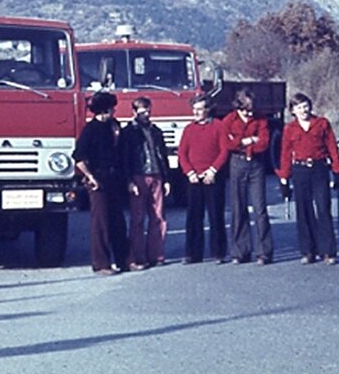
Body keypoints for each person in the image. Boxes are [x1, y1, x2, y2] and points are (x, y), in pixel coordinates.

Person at [277, 92, 339, 265]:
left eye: (305, 106)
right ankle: (308, 251)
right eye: (299, 107)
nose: (303, 110)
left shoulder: (321, 123)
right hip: (300, 170)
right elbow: (285, 153)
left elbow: (332, 147)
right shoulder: (289, 129)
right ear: (292, 110)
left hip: (319, 169)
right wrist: (284, 178)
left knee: (323, 208)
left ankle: (328, 251)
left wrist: (337, 170)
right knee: (304, 210)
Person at [73, 91, 129, 275]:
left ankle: (124, 260)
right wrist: (90, 177)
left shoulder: (114, 126)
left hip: (114, 178)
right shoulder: (90, 130)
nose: (113, 111)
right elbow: (79, 157)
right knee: (101, 223)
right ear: (103, 110)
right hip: (98, 179)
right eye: (111, 108)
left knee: (118, 221)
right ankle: (101, 264)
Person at [222, 88, 273, 264]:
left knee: (260, 209)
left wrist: (245, 144)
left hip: (256, 164)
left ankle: (264, 251)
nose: (249, 112)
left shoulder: (261, 119)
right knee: (238, 208)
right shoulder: (228, 120)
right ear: (238, 106)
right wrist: (248, 140)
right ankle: (240, 252)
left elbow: (264, 143)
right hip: (237, 164)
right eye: (245, 109)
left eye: (251, 108)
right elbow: (227, 144)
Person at [177, 93, 229, 264]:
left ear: (208, 110)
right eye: (194, 109)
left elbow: (224, 151)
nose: (196, 112)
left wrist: (212, 171)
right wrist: (190, 173)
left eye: (200, 109)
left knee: (216, 215)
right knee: (193, 216)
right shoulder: (188, 129)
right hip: (193, 179)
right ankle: (193, 253)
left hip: (213, 178)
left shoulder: (218, 126)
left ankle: (218, 252)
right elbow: (182, 154)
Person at [120, 96, 171, 269]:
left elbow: (162, 155)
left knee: (158, 217)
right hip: (137, 175)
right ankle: (138, 256)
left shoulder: (156, 131)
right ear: (134, 112)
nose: (146, 115)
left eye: (148, 111)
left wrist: (166, 179)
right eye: (142, 112)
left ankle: (156, 254)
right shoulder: (128, 132)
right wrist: (128, 181)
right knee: (138, 218)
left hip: (156, 175)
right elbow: (125, 158)